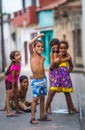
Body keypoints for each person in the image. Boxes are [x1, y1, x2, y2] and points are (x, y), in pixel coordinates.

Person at [45, 40, 79, 114]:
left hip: (64, 76)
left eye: (56, 45)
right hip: (53, 74)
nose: (54, 47)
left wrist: (67, 72)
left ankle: (71, 108)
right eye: (52, 45)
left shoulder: (65, 54)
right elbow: (51, 67)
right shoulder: (52, 54)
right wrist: (55, 62)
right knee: (51, 91)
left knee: (66, 92)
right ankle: (46, 109)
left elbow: (70, 60)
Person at [29, 33, 51, 124]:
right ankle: (32, 117)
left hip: (43, 80)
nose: (40, 48)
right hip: (36, 81)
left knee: (42, 98)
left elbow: (40, 69)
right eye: (38, 46)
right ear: (34, 48)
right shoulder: (32, 55)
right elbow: (30, 43)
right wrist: (38, 37)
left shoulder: (42, 58)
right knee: (35, 99)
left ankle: (42, 115)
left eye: (42, 47)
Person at [5, 50, 23, 116]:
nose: (19, 56)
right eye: (17, 55)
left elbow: (16, 77)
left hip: (14, 82)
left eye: (19, 54)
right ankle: (8, 112)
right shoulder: (13, 67)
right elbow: (12, 78)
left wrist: (16, 85)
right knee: (8, 97)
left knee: (16, 96)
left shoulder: (19, 64)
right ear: (13, 59)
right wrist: (12, 89)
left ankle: (17, 110)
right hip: (9, 82)